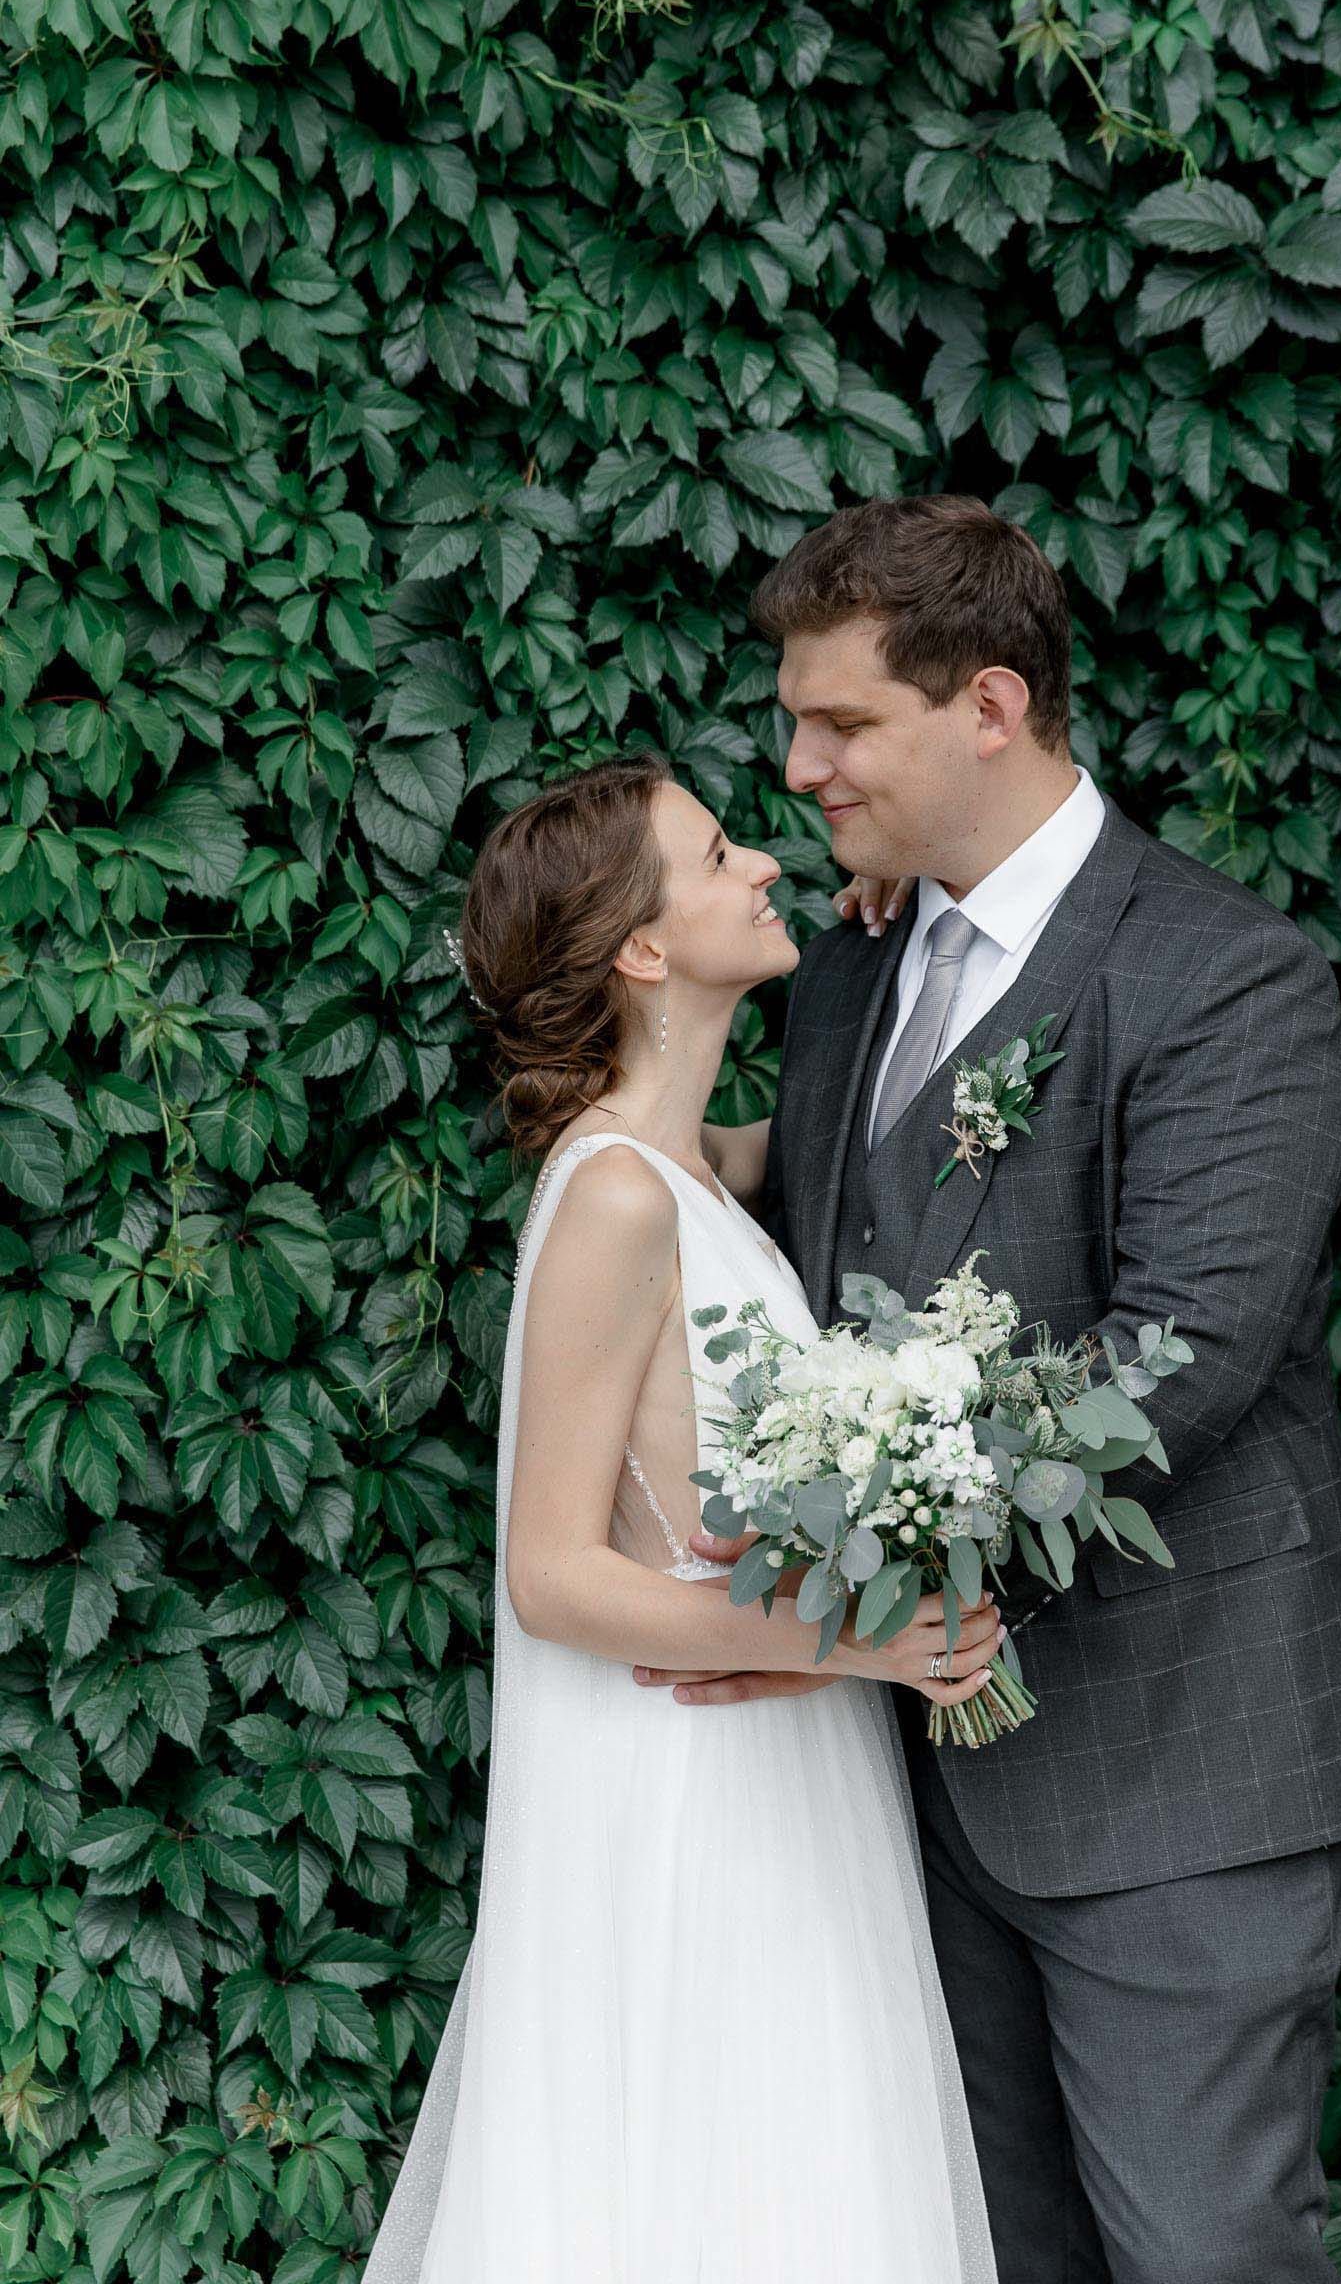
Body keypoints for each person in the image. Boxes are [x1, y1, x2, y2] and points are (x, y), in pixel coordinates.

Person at [634, 495, 1341, 2284]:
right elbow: (822, 1212)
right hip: (915, 1783)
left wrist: (840, 1558)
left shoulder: (1226, 976)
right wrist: (610, 1161)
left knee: (1205, 2254)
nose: (801, 763)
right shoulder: (850, 958)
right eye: (794, 719)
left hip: (1178, 1772)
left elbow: (1186, 1357)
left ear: (991, 707)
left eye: (842, 724)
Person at [361, 757, 1000, 2283]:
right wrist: (854, 1637)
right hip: (696, 1781)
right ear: (644, 948)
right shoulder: (615, 1204)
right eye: (719, 856)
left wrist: (885, 930)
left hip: (787, 1767)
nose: (765, 864)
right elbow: (551, 1576)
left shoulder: (683, 1169)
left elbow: (860, 1130)